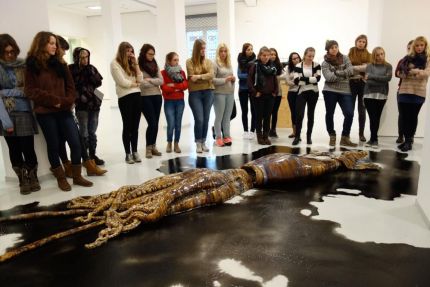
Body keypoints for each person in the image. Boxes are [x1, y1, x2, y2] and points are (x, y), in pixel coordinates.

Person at [25, 31, 92, 191]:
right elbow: (30, 90)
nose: (55, 46)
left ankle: (77, 176)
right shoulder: (32, 65)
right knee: (54, 145)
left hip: (64, 110)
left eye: (55, 43)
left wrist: (65, 102)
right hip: (45, 113)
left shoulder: (61, 64)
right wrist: (53, 101)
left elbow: (71, 87)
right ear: (41, 44)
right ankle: (61, 178)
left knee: (75, 143)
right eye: (51, 43)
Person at [0, 34, 39, 194]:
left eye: (12, 51)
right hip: (5, 114)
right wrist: (6, 122)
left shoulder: (24, 65)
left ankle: (33, 176)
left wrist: (5, 92)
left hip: (24, 111)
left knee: (28, 147)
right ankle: (22, 179)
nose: (10, 55)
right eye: (6, 52)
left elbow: (28, 91)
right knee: (14, 149)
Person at [68, 47, 107, 176]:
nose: (85, 59)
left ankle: (92, 155)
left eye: (87, 57)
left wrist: (89, 73)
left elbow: (99, 82)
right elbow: (72, 85)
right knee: (83, 132)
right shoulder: (71, 69)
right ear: (76, 57)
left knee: (92, 132)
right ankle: (85, 159)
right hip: (81, 105)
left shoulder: (91, 68)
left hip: (94, 104)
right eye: (82, 57)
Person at [110, 42, 143, 163]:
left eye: (131, 51)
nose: (130, 54)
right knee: (127, 126)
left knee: (135, 127)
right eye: (128, 51)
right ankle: (127, 153)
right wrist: (135, 84)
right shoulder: (115, 64)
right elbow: (122, 82)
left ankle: (135, 151)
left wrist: (136, 63)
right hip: (125, 98)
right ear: (122, 51)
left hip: (137, 96)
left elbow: (140, 79)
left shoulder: (132, 63)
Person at [397, 36, 430, 152]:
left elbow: (426, 73)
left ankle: (409, 140)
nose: (419, 47)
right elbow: (399, 73)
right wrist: (414, 73)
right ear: (413, 47)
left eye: (422, 45)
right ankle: (407, 140)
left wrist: (412, 72)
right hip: (404, 91)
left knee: (412, 117)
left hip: (418, 92)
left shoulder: (428, 59)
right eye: (417, 45)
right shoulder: (407, 58)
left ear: (425, 46)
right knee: (405, 117)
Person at [321, 40, 356, 147]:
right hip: (330, 91)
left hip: (345, 91)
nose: (334, 49)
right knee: (330, 113)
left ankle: (345, 137)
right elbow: (329, 78)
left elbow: (351, 70)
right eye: (332, 47)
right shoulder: (325, 63)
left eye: (336, 47)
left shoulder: (345, 58)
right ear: (328, 49)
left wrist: (337, 72)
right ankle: (332, 135)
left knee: (349, 113)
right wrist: (344, 74)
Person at [186, 39, 214, 153]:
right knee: (199, 119)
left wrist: (198, 77)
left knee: (206, 119)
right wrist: (203, 77)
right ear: (196, 49)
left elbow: (211, 75)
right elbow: (191, 77)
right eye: (201, 48)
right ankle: (198, 142)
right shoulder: (189, 62)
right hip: (195, 93)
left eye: (204, 48)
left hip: (209, 92)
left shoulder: (208, 62)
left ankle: (203, 142)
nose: (203, 51)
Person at [247, 46, 278, 145]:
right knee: (259, 116)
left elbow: (275, 80)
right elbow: (249, 81)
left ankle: (266, 136)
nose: (266, 57)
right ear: (260, 55)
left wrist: (275, 91)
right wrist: (255, 92)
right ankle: (259, 137)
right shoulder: (254, 66)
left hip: (270, 96)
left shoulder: (272, 67)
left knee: (268, 116)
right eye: (264, 55)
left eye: (268, 55)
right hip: (258, 96)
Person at [363, 47, 392, 148]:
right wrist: (380, 80)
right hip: (369, 94)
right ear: (374, 55)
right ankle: (373, 139)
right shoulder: (369, 66)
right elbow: (368, 82)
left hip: (382, 95)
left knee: (377, 117)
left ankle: (374, 139)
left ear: (384, 54)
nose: (380, 56)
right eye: (377, 54)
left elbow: (387, 79)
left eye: (382, 54)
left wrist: (372, 76)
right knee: (372, 117)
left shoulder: (388, 66)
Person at [138, 44, 163, 159]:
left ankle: (153, 146)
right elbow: (140, 83)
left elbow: (161, 81)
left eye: (153, 54)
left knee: (156, 123)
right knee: (152, 123)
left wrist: (149, 80)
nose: (152, 56)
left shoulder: (155, 64)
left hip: (157, 96)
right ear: (144, 53)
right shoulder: (138, 65)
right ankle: (148, 148)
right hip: (145, 96)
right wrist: (153, 81)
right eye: (149, 54)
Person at [293, 47, 321, 145]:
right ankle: (297, 136)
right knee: (299, 115)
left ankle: (309, 137)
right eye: (309, 56)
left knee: (311, 114)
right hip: (302, 92)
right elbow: (296, 81)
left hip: (313, 92)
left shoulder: (317, 65)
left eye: (313, 56)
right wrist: (311, 78)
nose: (311, 58)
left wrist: (303, 79)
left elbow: (318, 79)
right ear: (304, 55)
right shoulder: (298, 65)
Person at [160, 52, 188, 153]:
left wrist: (174, 86)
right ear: (169, 61)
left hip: (180, 101)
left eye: (177, 60)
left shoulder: (181, 72)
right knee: (171, 124)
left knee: (178, 124)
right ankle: (169, 143)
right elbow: (164, 87)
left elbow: (185, 85)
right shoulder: (163, 73)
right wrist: (176, 88)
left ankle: (176, 144)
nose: (177, 62)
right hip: (169, 102)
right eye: (174, 60)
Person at [348, 34, 371, 142]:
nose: (361, 43)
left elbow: (369, 68)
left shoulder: (369, 55)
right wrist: (362, 68)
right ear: (356, 42)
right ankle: (346, 134)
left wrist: (356, 68)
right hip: (351, 83)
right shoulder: (350, 53)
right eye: (359, 41)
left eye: (363, 42)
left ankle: (361, 134)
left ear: (366, 43)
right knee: (349, 110)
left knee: (362, 110)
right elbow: (348, 69)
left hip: (363, 84)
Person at [213, 43, 235, 147]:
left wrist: (233, 80)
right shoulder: (215, 64)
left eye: (225, 51)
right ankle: (218, 137)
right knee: (219, 117)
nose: (223, 53)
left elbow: (231, 76)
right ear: (218, 52)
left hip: (230, 93)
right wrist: (225, 79)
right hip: (219, 93)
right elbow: (212, 80)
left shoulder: (229, 63)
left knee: (227, 117)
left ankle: (227, 136)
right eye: (221, 51)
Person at [394, 40, 413, 144]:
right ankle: (400, 135)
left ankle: (410, 137)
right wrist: (406, 74)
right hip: (401, 90)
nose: (410, 50)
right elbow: (396, 73)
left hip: (415, 92)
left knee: (412, 116)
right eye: (408, 48)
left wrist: (408, 73)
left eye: (412, 48)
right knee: (402, 114)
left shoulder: (421, 61)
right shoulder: (403, 60)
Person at [237, 43, 256, 140]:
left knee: (254, 110)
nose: (250, 51)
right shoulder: (240, 61)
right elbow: (240, 75)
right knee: (244, 111)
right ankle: (245, 131)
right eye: (248, 49)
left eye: (251, 49)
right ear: (244, 50)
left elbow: (256, 76)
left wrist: (248, 76)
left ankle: (253, 131)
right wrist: (250, 76)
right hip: (243, 89)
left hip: (252, 89)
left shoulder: (255, 61)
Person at [269, 48, 285, 138]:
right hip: (268, 93)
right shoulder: (265, 65)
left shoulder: (279, 65)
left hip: (278, 92)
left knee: (275, 112)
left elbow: (284, 76)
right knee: (268, 112)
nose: (273, 56)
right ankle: (266, 130)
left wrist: (275, 77)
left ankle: (273, 130)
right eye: (271, 54)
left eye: (274, 54)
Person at [285, 52, 301, 138]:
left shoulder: (303, 67)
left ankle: (298, 133)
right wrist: (296, 82)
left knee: (299, 113)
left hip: (301, 93)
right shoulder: (288, 68)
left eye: (297, 58)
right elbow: (287, 82)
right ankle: (294, 132)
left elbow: (304, 81)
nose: (296, 60)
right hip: (291, 93)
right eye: (294, 58)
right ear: (291, 60)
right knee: (293, 113)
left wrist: (296, 82)